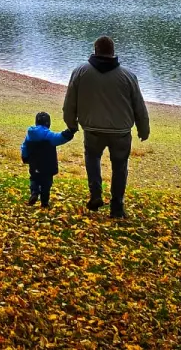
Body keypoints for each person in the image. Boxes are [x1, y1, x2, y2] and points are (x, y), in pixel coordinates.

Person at [62, 35, 150, 219]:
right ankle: (117, 206)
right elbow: (139, 105)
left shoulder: (80, 72)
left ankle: (96, 195)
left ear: (95, 51)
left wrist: (71, 123)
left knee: (92, 160)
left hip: (92, 129)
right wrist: (143, 128)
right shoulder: (128, 76)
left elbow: (70, 101)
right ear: (112, 52)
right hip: (121, 131)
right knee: (120, 167)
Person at [20, 111, 75, 207]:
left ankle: (34, 193)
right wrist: (71, 131)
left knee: (34, 179)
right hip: (48, 166)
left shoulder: (30, 136)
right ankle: (44, 202)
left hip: (34, 164)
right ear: (48, 123)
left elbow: (24, 147)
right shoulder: (49, 136)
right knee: (46, 184)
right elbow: (61, 138)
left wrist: (24, 157)